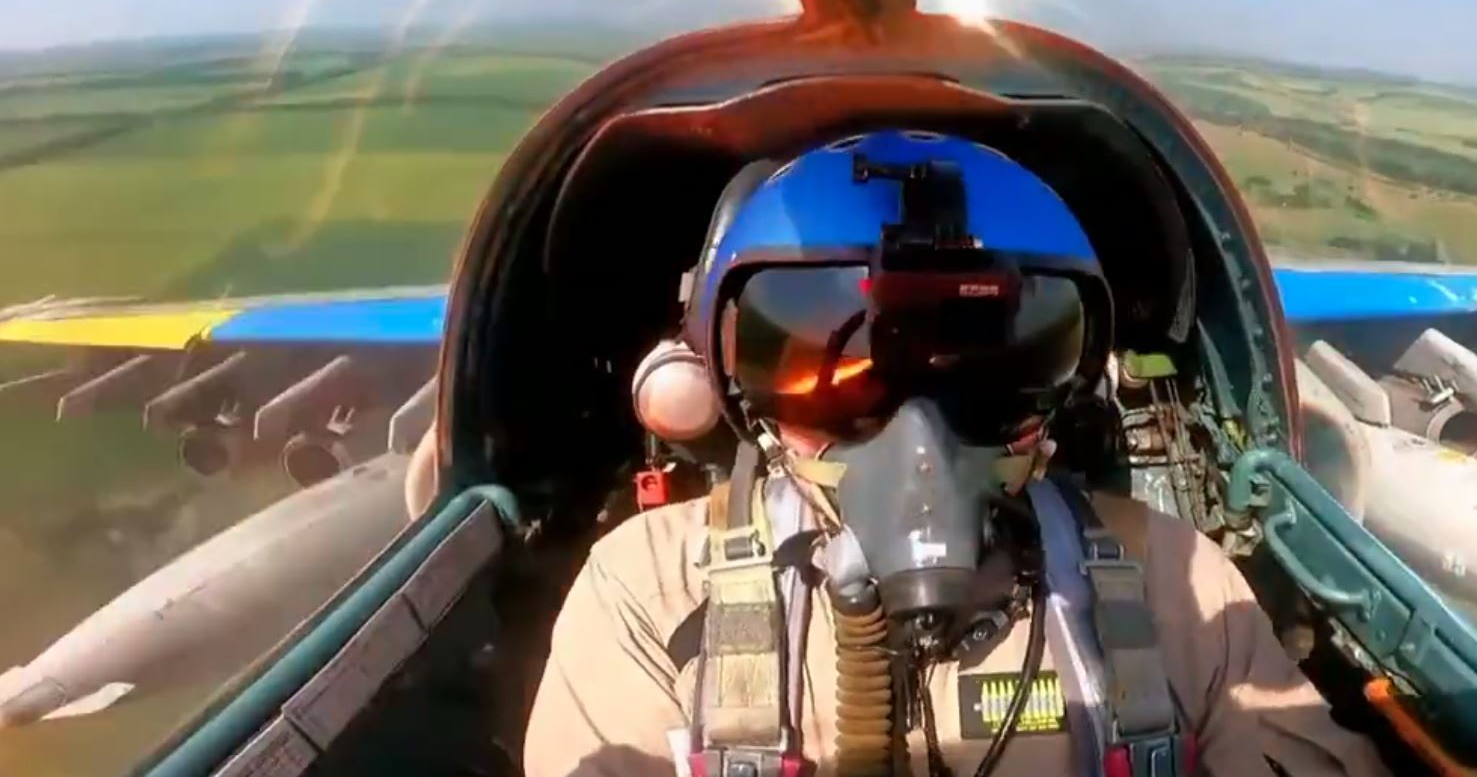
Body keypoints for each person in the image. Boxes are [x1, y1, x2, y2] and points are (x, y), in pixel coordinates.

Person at [524, 131, 1389, 777]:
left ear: (1066, 388)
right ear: (742, 395)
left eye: (987, 374)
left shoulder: (1175, 583)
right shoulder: (651, 591)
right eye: (843, 377)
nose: (919, 441)